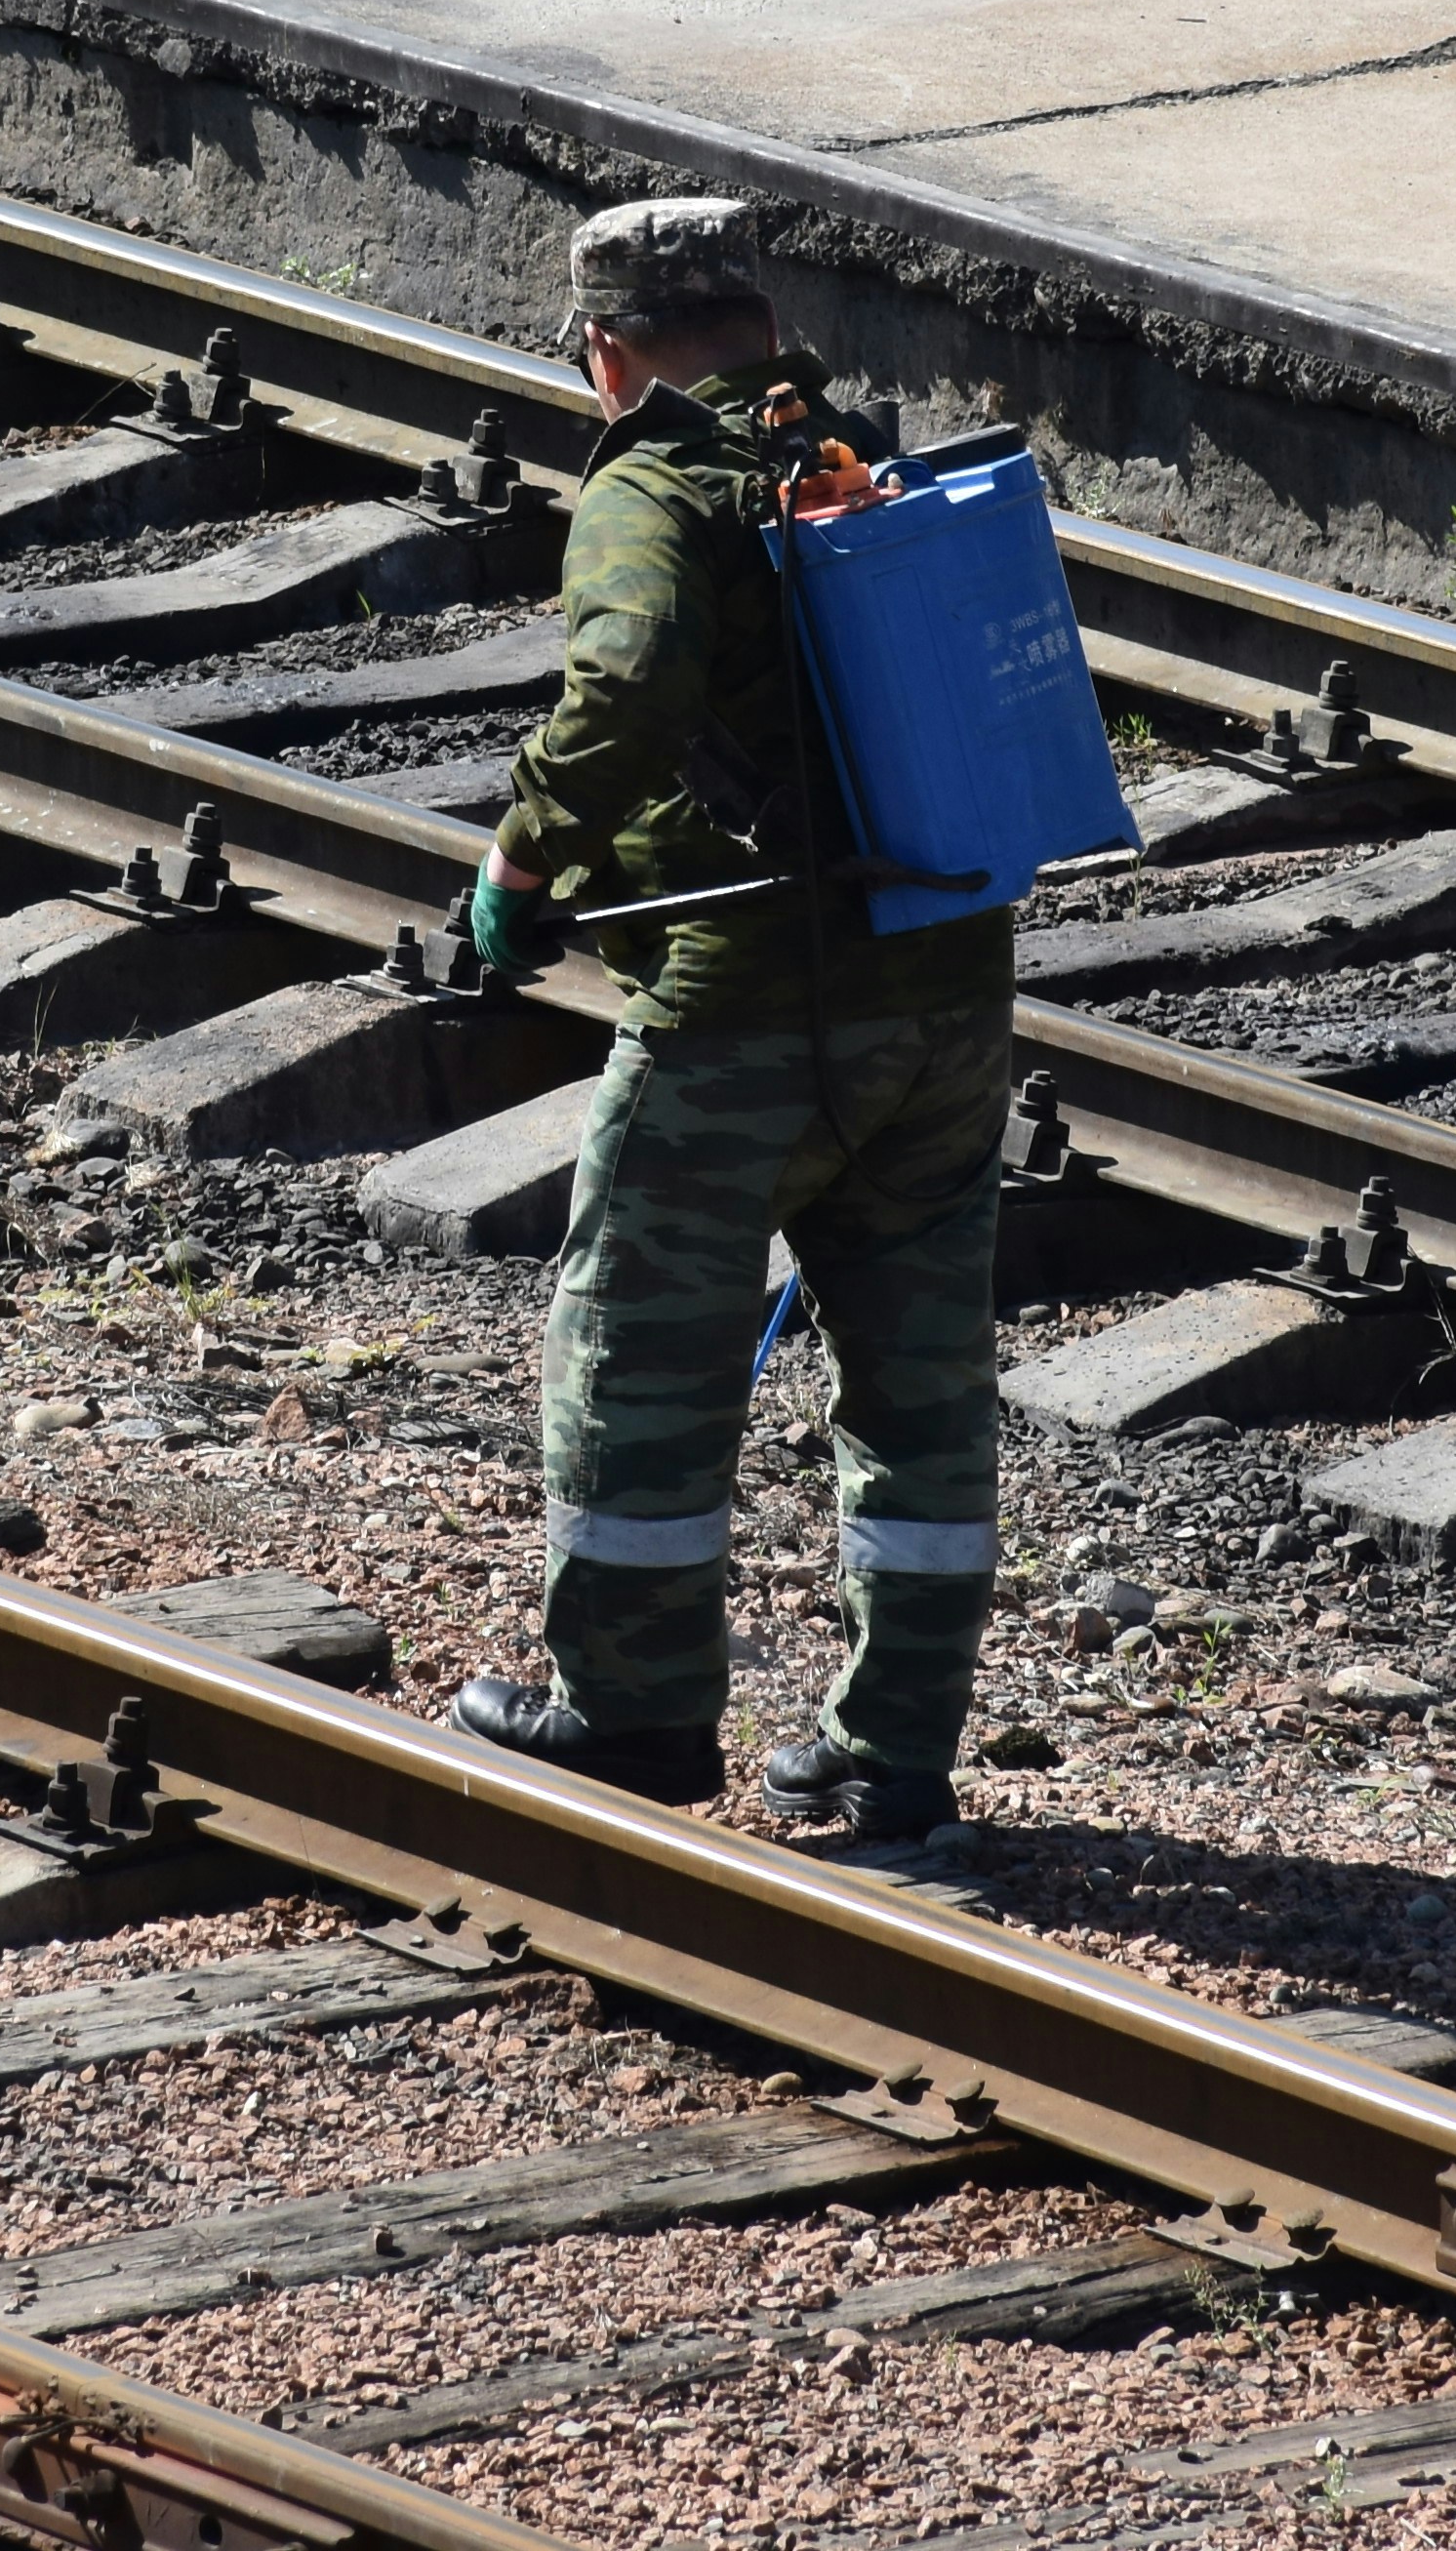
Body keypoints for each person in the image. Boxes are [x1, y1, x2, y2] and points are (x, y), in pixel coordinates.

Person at [445, 196, 1008, 1841]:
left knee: (636, 1359)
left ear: (605, 353)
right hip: (946, 994)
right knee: (920, 1383)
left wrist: (524, 857)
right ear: (761, 327)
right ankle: (895, 1748)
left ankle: (631, 1715)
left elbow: (621, 687)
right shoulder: (870, 467)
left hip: (736, 1013)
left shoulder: (649, 487)